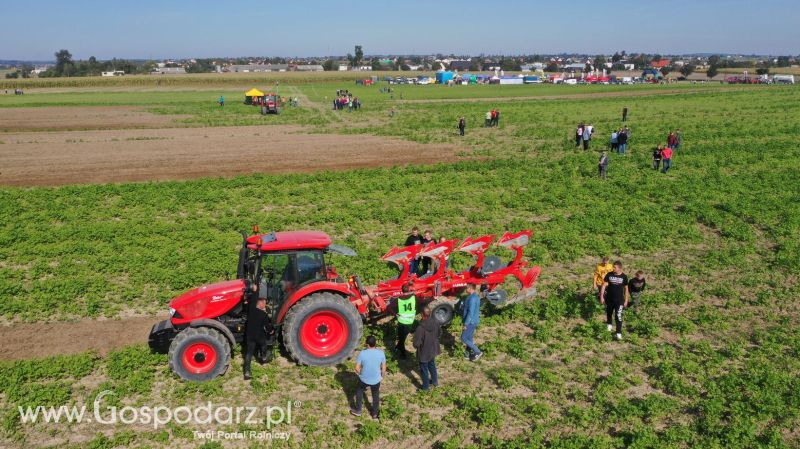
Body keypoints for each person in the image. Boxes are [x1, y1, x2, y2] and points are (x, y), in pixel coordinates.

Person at [350, 335, 386, 419]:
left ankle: (358, 410)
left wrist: (360, 374)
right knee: (375, 394)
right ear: (375, 343)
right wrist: (382, 376)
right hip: (376, 379)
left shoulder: (362, 353)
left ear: (367, 344)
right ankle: (374, 414)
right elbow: (383, 367)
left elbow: (356, 368)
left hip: (364, 379)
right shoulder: (381, 353)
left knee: (359, 391)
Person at [413, 306, 441, 391]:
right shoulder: (435, 322)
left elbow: (416, 344)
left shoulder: (420, 328)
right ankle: (435, 382)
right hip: (433, 349)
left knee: (424, 370)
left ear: (422, 314)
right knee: (432, 365)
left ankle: (425, 387)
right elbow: (439, 333)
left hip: (424, 352)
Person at [599, 261, 629, 340]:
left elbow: (626, 289)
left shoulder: (624, 277)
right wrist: (602, 296)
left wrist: (626, 300)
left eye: (614, 267)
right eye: (613, 267)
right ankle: (609, 327)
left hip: (619, 300)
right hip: (609, 299)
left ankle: (618, 333)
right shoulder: (609, 274)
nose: (613, 268)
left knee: (618, 316)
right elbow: (604, 285)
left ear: (619, 268)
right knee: (609, 313)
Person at [243, 297, 268, 380]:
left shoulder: (251, 310)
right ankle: (263, 357)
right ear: (260, 303)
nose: (265, 305)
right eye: (264, 303)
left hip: (250, 336)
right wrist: (271, 331)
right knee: (264, 344)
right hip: (259, 336)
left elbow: (250, 302)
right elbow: (267, 327)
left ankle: (247, 372)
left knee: (249, 353)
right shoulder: (264, 314)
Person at [461, 283, 482, 361]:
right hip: (473, 321)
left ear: (470, 288)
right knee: (469, 338)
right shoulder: (475, 297)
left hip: (470, 321)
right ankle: (467, 355)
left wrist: (466, 324)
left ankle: (477, 351)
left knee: (463, 338)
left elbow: (470, 312)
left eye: (466, 288)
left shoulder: (472, 299)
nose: (466, 289)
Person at [396, 283, 416, 359]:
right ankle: (398, 346)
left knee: (401, 338)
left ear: (402, 291)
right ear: (408, 290)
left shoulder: (399, 298)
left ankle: (403, 353)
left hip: (401, 321)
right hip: (410, 321)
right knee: (403, 337)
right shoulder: (413, 297)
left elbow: (397, 309)